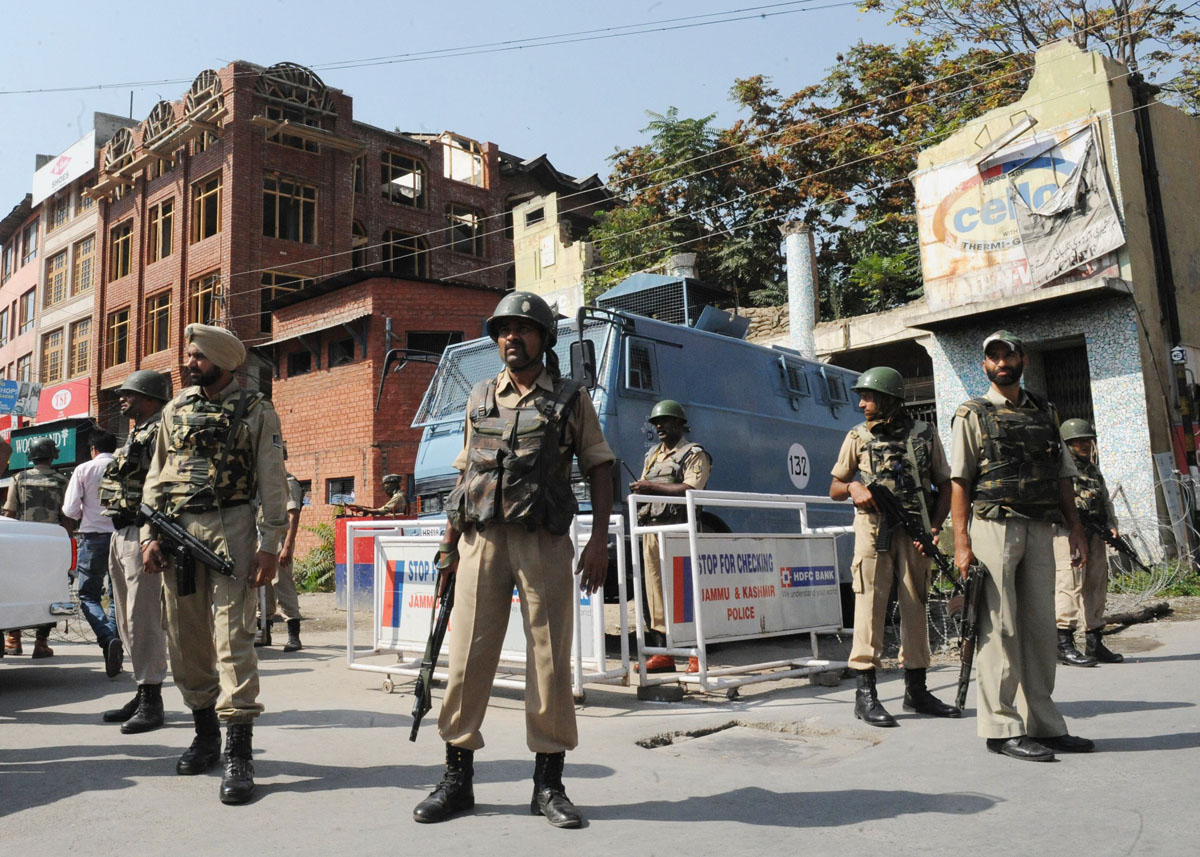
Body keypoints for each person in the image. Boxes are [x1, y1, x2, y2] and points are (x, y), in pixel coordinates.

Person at [413, 291, 614, 829]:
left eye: (523, 329)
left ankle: (548, 785)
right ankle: (457, 778)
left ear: (544, 339)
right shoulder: (480, 395)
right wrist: (447, 546)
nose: (511, 338)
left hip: (543, 541)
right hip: (481, 541)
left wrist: (600, 540)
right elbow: (465, 477)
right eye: (504, 329)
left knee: (549, 661)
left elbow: (600, 466)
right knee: (467, 658)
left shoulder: (571, 397)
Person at [140, 323, 288, 805]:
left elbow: (271, 480)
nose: (188, 363)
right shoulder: (175, 409)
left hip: (235, 530)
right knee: (185, 639)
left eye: (198, 356)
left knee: (233, 637)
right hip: (179, 530)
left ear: (224, 362)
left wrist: (270, 544)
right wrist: (150, 534)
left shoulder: (256, 409)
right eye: (188, 355)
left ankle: (239, 751)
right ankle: (205, 734)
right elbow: (157, 477)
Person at [950, 330, 1094, 762]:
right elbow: (960, 481)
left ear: (1022, 359)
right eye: (992, 356)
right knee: (1000, 626)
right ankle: (1000, 728)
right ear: (985, 366)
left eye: (1007, 354)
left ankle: (1045, 725)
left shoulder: (1046, 411)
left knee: (1039, 628)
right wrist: (961, 543)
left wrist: (1076, 528)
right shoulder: (971, 414)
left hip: (1039, 526)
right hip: (994, 527)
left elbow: (1063, 476)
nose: (1001, 362)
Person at [829, 366, 960, 726]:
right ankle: (865, 694)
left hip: (915, 531)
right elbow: (835, 487)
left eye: (868, 397)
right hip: (874, 531)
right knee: (869, 605)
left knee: (916, 605)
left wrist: (935, 526)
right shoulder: (857, 436)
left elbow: (945, 484)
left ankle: (916, 691)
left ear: (889, 398)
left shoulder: (924, 433)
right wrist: (855, 488)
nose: (861, 403)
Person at [97, 370, 173, 732]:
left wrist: (151, 536)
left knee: (142, 618)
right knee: (127, 618)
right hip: (120, 531)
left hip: (142, 533)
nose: (123, 399)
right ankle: (142, 688)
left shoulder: (160, 429)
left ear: (150, 398)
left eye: (130, 394)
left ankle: (152, 698)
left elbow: (162, 484)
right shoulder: (138, 432)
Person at [627, 399, 710, 674]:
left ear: (679, 423)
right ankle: (663, 654)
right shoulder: (652, 454)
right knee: (655, 595)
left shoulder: (693, 453)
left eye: (665, 421)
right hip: (651, 529)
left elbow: (691, 488)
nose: (659, 426)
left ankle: (697, 655)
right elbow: (646, 487)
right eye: (655, 422)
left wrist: (651, 486)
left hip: (679, 531)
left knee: (684, 593)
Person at [1053, 418, 1124, 666]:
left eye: (1087, 440)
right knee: (1069, 584)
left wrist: (1112, 524)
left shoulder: (1092, 469)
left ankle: (1094, 641)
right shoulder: (1059, 468)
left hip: (1095, 532)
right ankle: (1064, 643)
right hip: (1068, 534)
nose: (1084, 444)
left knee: (1096, 585)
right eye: (1078, 441)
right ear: (1067, 444)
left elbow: (1104, 499)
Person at [62, 429, 122, 677]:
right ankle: (114, 644)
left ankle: (107, 639)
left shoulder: (84, 470)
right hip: (123, 537)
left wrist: (84, 516)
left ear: (93, 449)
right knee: (117, 594)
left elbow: (70, 509)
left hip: (93, 538)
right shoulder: (124, 466)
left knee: (88, 595)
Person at [3, 437, 69, 658]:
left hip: (23, 545)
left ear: (31, 455)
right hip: (51, 546)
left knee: (16, 588)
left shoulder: (19, 478)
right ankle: (41, 642)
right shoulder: (62, 480)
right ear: (52, 455)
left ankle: (13, 640)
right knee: (50, 591)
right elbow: (67, 516)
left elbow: (9, 512)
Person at [261, 467, 305, 652]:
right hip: (261, 537)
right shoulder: (262, 481)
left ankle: (293, 635)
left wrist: (287, 546)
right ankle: (264, 632)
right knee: (262, 585)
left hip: (279, 538)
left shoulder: (288, 482)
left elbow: (293, 515)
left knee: (282, 583)